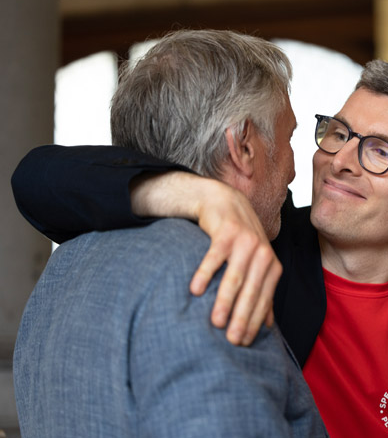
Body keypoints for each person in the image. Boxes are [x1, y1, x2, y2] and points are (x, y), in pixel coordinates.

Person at [13, 58, 388, 437]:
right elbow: (42, 178)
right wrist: (193, 193)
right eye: (338, 132)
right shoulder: (254, 238)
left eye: (380, 150)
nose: (340, 160)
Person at [12, 29, 327, 437]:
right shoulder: (213, 271)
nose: (294, 168)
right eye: (288, 139)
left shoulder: (66, 262)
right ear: (243, 146)